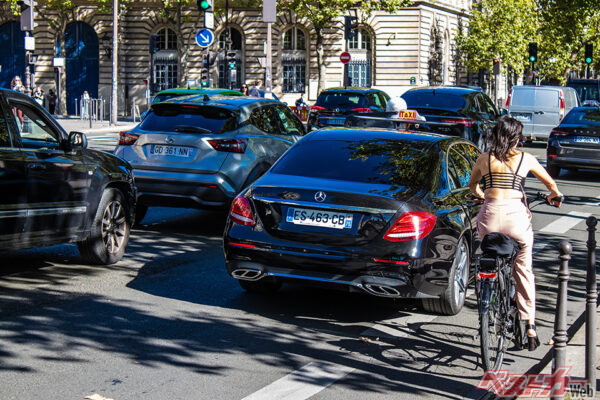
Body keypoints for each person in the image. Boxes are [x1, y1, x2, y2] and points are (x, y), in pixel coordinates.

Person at [468, 116, 563, 351]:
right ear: (516, 139)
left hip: (489, 218)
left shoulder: (484, 158)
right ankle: (529, 325)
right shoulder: (526, 159)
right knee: (523, 268)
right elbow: (551, 184)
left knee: (487, 256)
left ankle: (487, 287)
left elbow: (473, 186)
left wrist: (484, 195)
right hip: (516, 219)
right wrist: (554, 196)